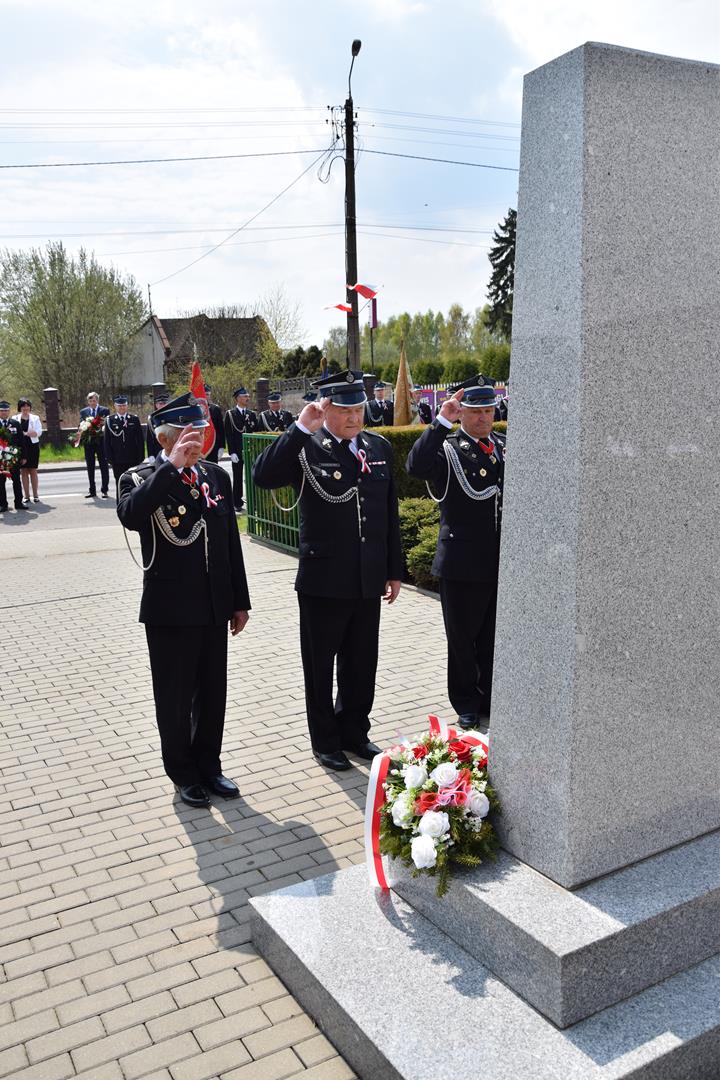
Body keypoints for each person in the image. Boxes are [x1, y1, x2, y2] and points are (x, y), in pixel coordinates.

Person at [253, 370, 403, 771]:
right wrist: (301, 428)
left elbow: (389, 513)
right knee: (320, 667)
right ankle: (325, 740)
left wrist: (394, 570)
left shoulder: (378, 448)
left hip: (367, 577)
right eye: (347, 409)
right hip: (324, 579)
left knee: (361, 662)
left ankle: (354, 730)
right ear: (326, 408)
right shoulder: (307, 447)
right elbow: (262, 476)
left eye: (360, 408)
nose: (356, 417)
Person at [117, 392, 251, 809]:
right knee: (174, 698)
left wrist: (239, 600)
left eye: (202, 431)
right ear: (165, 439)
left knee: (213, 694)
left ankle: (209, 765)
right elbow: (131, 515)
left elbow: (230, 542)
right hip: (171, 609)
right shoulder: (139, 478)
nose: (198, 441)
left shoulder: (216, 476)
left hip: (213, 604)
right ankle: (183, 772)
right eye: (188, 434)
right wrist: (172, 468)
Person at [406, 376, 505, 732]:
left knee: (493, 637)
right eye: (475, 411)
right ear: (462, 412)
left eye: (488, 410)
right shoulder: (448, 449)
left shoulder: (505, 447)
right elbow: (415, 467)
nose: (483, 418)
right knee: (462, 639)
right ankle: (465, 702)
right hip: (462, 563)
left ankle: (491, 698)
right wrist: (440, 421)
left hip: (499, 564)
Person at [223, 387, 257, 511]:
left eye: (248, 396)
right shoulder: (230, 414)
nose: (247, 398)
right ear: (237, 398)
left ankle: (253, 502)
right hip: (237, 451)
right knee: (237, 477)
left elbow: (255, 432)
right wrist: (231, 452)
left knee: (252, 476)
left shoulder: (251, 414)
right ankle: (237, 502)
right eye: (244, 396)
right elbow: (229, 434)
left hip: (250, 450)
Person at [103, 395, 145, 496]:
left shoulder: (134, 419)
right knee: (120, 483)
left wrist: (141, 457)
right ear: (115, 406)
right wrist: (109, 458)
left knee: (134, 483)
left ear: (127, 406)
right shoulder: (110, 420)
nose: (122, 407)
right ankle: (121, 505)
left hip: (133, 459)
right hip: (117, 459)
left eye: (124, 405)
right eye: (119, 405)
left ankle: (134, 506)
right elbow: (107, 442)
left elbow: (140, 440)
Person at [79, 391, 110, 498]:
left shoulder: (104, 410)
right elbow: (81, 425)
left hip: (101, 442)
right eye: (90, 401)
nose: (92, 402)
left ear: (97, 401)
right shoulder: (83, 412)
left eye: (94, 400)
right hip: (89, 443)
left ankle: (104, 490)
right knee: (90, 466)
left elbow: (107, 425)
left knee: (103, 466)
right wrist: (83, 428)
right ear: (88, 401)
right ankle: (92, 490)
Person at [14, 398, 43, 504]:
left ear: (30, 407)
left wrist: (32, 433)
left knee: (33, 470)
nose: (25, 408)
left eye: (27, 406)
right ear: (20, 407)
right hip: (21, 447)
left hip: (33, 446)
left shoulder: (35, 418)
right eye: (23, 406)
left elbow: (39, 432)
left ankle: (36, 495)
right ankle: (26, 496)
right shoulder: (15, 418)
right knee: (24, 471)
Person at [0, 400, 24, 512]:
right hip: (0, 459)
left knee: (16, 480)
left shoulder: (15, 423)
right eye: (2, 410)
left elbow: (21, 441)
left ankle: (19, 503)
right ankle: (3, 505)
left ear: (9, 411)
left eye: (6, 410)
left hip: (13, 458)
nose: (4, 412)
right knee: (1, 482)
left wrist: (23, 456)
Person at [203, 384, 226, 464]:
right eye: (205, 394)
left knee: (213, 471)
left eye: (208, 394)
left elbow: (220, 429)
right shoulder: (195, 409)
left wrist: (222, 446)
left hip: (213, 445)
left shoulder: (215, 409)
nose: (207, 396)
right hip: (200, 446)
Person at [146, 392, 169, 461]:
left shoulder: (172, 416)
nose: (162, 406)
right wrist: (150, 455)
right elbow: (149, 438)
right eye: (160, 404)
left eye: (164, 403)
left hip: (171, 451)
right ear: (156, 405)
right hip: (157, 452)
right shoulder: (152, 418)